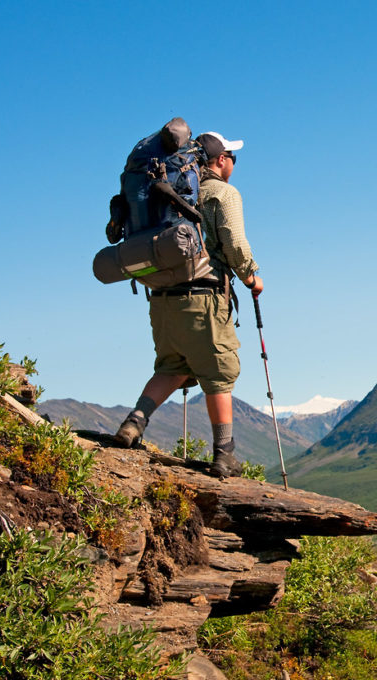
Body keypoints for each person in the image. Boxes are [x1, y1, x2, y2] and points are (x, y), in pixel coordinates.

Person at [113, 130, 264, 479]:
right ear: (221, 160)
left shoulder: (163, 194)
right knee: (219, 373)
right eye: (232, 158)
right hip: (203, 298)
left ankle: (134, 423)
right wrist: (251, 277)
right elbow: (236, 245)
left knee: (172, 366)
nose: (233, 165)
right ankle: (224, 455)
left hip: (162, 298)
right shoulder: (222, 194)